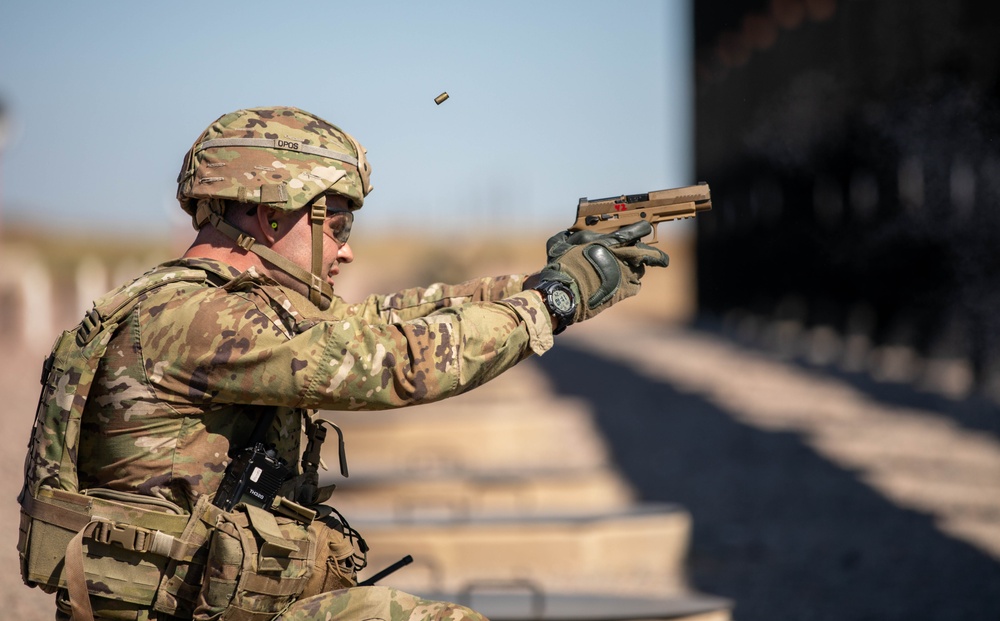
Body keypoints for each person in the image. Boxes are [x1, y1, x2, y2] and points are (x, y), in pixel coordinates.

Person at [18, 106, 669, 621]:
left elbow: (388, 320)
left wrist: (541, 282)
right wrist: (552, 303)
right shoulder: (204, 321)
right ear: (271, 216)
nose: (346, 252)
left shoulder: (214, 309)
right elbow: (398, 362)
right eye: (340, 224)